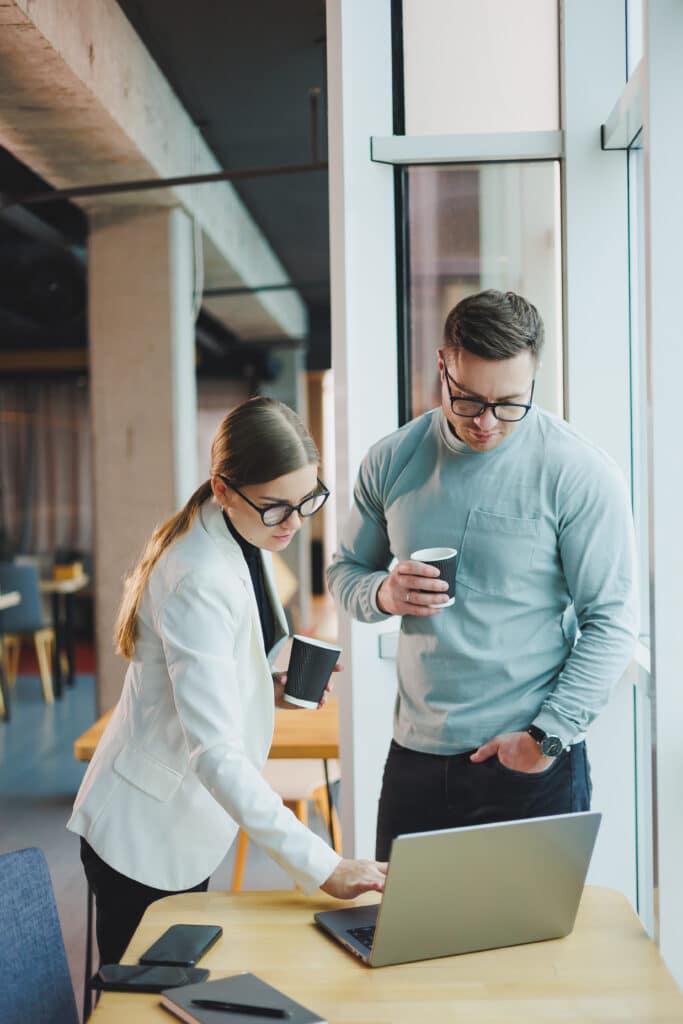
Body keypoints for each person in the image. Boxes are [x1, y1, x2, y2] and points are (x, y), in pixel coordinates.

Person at [68, 397, 386, 964]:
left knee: (178, 985)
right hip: (144, 833)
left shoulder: (245, 531)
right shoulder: (199, 576)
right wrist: (325, 866)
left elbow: (207, 669)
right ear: (222, 488)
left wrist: (265, 685)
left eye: (307, 500)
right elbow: (215, 753)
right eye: (276, 507)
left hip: (180, 822)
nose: (294, 523)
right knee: (146, 1001)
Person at [327, 289, 637, 860]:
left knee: (531, 949)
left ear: (535, 377)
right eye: (468, 400)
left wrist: (545, 739)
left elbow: (612, 622)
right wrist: (383, 592)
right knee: (405, 940)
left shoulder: (581, 474)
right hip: (415, 758)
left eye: (510, 403)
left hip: (530, 759)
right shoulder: (391, 459)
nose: (487, 423)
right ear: (443, 365)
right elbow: (345, 571)